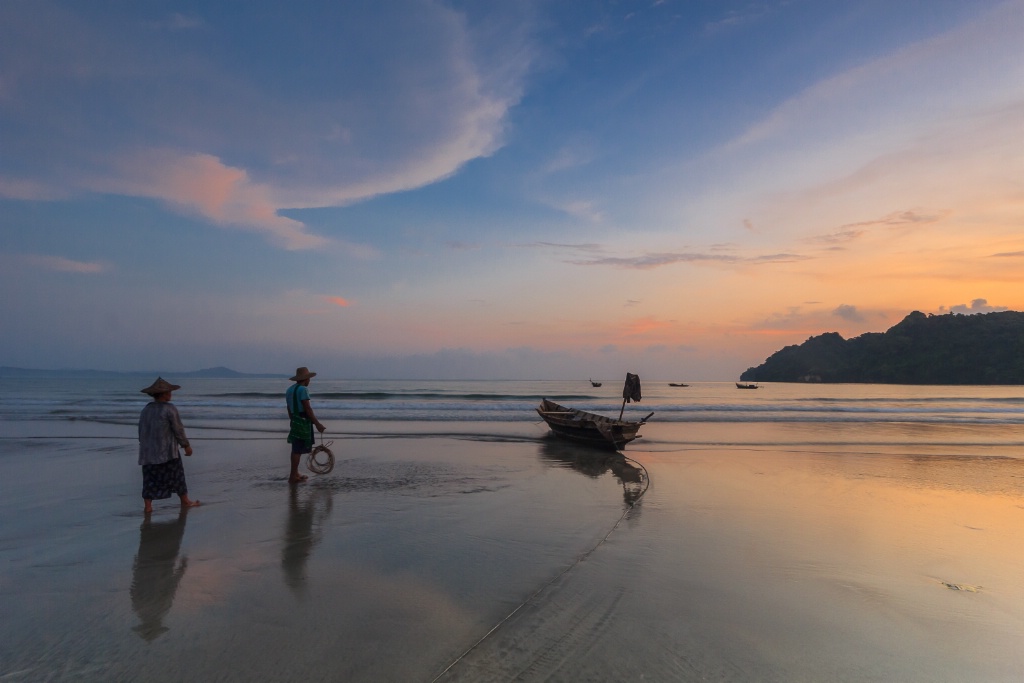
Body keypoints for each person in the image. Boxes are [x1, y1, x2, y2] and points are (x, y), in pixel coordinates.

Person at [138, 377, 200, 513]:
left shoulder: (146, 409)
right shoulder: (169, 409)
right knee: (177, 476)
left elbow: (141, 430)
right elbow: (178, 429)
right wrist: (186, 446)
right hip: (167, 451)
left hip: (148, 452)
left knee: (149, 479)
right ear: (163, 394)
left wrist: (144, 445)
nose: (171, 394)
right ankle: (185, 501)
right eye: (169, 392)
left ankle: (148, 507)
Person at [285, 367, 326, 484]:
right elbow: (307, 408)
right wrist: (317, 424)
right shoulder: (303, 390)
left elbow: (288, 407)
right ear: (306, 379)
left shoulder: (289, 390)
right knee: (297, 450)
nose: (310, 381)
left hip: (295, 418)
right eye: (309, 379)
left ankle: (295, 473)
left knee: (295, 448)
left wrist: (292, 420)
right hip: (303, 419)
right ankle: (293, 476)